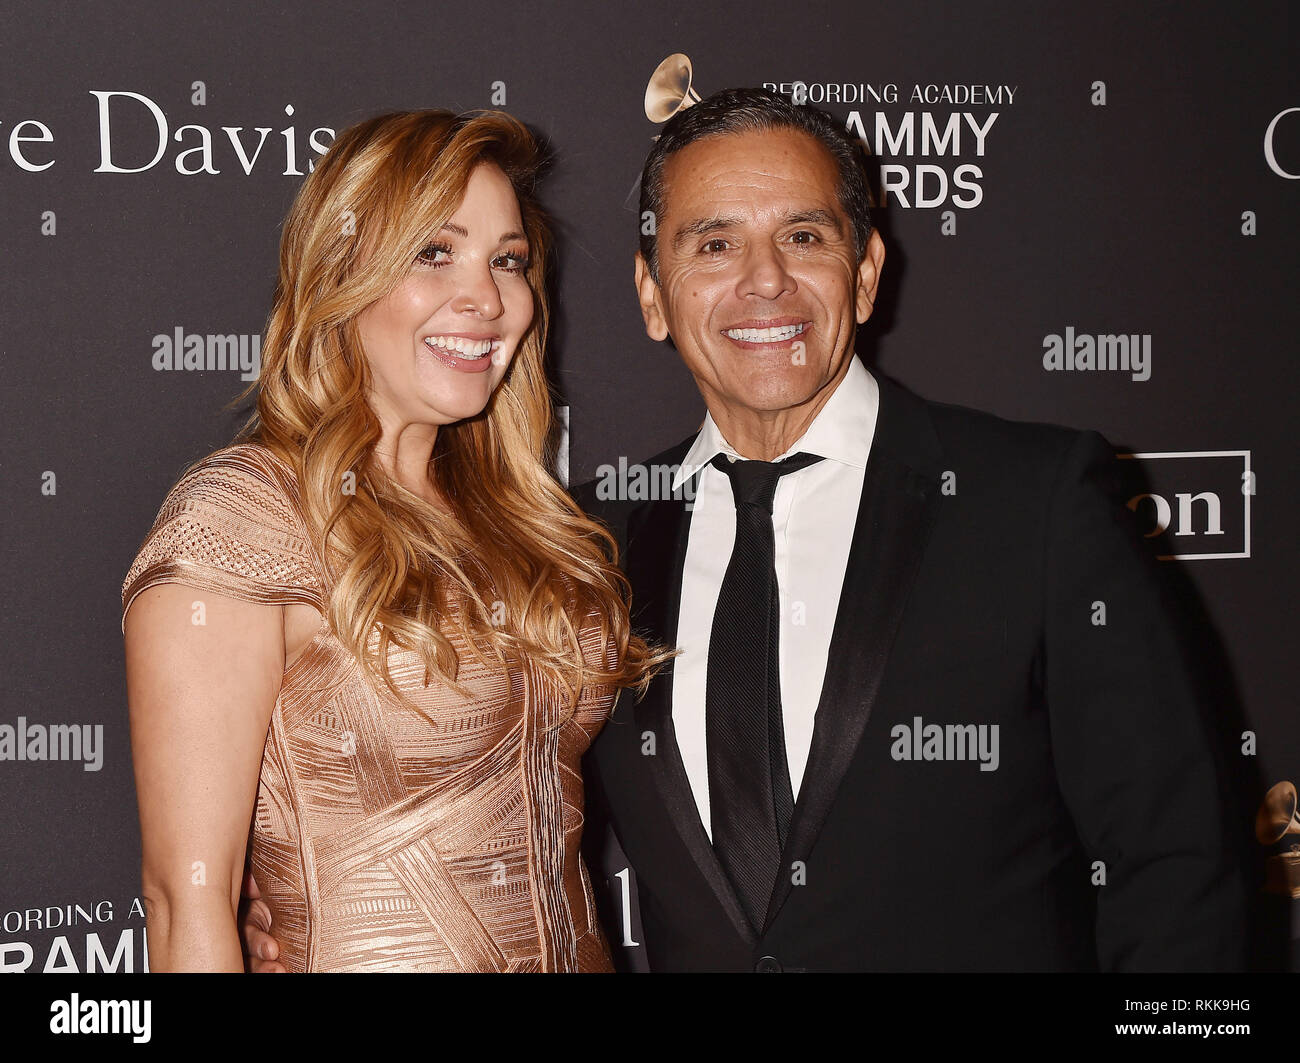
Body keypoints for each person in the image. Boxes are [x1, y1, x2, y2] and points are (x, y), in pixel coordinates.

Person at [242, 88, 1247, 974]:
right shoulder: (583, 544)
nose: (762, 281)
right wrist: (291, 900)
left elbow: (1176, 857)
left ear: (863, 273)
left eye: (804, 237)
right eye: (712, 243)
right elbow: (493, 794)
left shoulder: (1028, 498)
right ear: (651, 294)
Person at [122, 108, 661, 972]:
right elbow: (186, 904)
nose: (487, 297)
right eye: (434, 252)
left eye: (508, 260)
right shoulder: (245, 515)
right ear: (341, 273)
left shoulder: (520, 516)